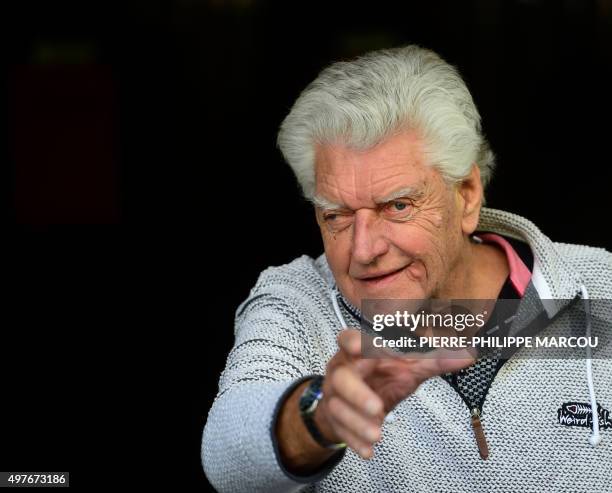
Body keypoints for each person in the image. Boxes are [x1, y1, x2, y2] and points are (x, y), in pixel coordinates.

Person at [202, 45, 612, 492]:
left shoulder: (602, 286)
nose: (362, 250)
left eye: (398, 206)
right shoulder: (297, 303)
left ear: (468, 194)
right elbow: (228, 458)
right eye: (336, 215)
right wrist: (321, 415)